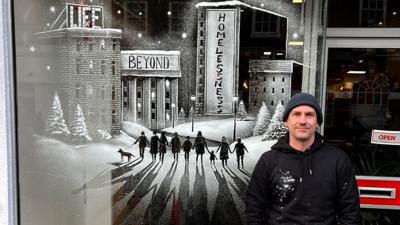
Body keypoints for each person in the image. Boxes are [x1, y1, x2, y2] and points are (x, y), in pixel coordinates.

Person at [246, 93, 360, 225]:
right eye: (296, 114)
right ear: (286, 122)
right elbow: (254, 209)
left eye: (309, 115)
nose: (302, 121)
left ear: (317, 122)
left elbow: (350, 212)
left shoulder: (338, 160)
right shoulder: (268, 161)